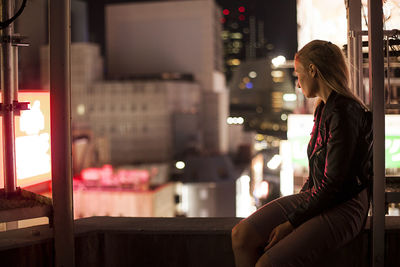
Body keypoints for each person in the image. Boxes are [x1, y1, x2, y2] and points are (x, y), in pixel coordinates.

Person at [231, 40, 373, 267]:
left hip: (346, 205)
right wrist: (299, 210)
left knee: (268, 264)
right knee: (241, 235)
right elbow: (321, 178)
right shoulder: (324, 108)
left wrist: (292, 223)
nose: (297, 84)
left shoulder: (345, 112)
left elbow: (334, 183)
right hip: (320, 195)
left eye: (298, 75)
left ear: (313, 70)